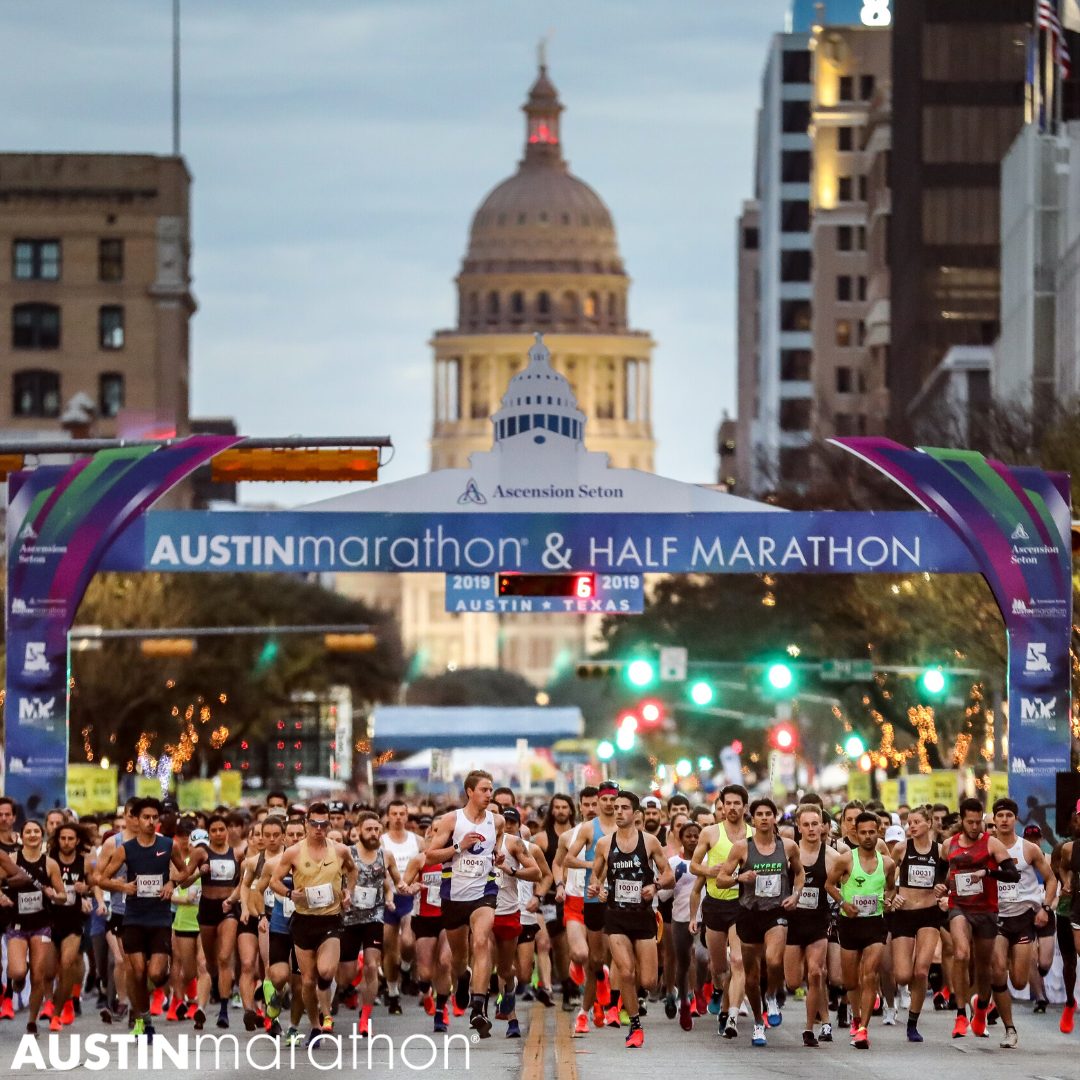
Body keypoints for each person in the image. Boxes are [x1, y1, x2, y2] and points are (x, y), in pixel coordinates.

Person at [96, 798, 191, 1040]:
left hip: (159, 917)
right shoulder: (126, 849)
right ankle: (143, 1018)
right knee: (136, 972)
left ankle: (149, 1001)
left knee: (156, 974)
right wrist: (123, 886)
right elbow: (101, 878)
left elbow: (184, 872)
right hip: (134, 917)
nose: (150, 822)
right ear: (136, 820)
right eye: (145, 817)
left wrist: (171, 882)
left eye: (154, 818)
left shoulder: (169, 845)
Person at [714, 796, 805, 1047]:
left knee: (775, 960)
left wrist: (795, 895)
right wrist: (740, 877)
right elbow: (721, 878)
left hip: (776, 911)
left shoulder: (788, 847)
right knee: (751, 978)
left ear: (774, 818)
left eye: (768, 814)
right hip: (749, 913)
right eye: (760, 814)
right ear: (752, 819)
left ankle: (773, 995)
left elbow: (799, 873)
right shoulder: (742, 847)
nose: (764, 818)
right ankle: (757, 1022)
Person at [423, 770, 506, 1038]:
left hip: (484, 891)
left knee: (482, 941)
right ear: (470, 791)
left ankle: (479, 1007)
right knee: (459, 958)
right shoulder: (451, 820)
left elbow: (498, 843)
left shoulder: (498, 821)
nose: (488, 794)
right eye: (484, 789)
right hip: (454, 896)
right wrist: (459, 846)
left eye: (491, 789)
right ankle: (462, 978)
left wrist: (498, 854)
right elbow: (430, 856)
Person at [588, 791, 674, 1048]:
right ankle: (635, 1026)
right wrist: (598, 890)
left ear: (636, 814)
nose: (619, 811)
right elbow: (596, 878)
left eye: (625, 807)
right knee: (626, 971)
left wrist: (656, 886)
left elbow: (669, 875)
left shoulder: (649, 843)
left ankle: (635, 997)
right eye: (616, 807)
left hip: (643, 917)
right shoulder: (604, 843)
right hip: (615, 916)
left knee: (647, 981)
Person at [269, 802, 358, 1044]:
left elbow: (353, 871)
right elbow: (274, 881)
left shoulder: (340, 851)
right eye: (314, 824)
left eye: (323, 824)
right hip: (303, 921)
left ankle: (326, 1003)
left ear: (328, 824)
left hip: (330, 919)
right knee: (306, 981)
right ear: (307, 823)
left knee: (326, 970)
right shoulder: (294, 852)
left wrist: (348, 892)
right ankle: (316, 1026)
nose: (319, 829)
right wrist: (289, 894)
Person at [944, 797, 1020, 1041]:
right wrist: (940, 887)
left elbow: (1013, 875)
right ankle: (960, 1014)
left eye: (978, 822)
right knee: (962, 954)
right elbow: (944, 876)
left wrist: (987, 872)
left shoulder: (992, 844)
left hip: (986, 911)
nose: (975, 827)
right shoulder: (949, 844)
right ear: (962, 820)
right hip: (960, 908)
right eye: (970, 822)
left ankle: (980, 1011)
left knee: (984, 967)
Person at [826, 810, 896, 1050]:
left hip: (875, 924)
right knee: (850, 981)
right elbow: (829, 884)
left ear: (879, 832)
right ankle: (856, 1017)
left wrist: (888, 899)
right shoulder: (846, 860)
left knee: (869, 975)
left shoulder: (887, 863)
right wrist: (843, 903)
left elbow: (891, 889)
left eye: (872, 832)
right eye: (863, 832)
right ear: (855, 833)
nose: (867, 837)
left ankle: (864, 1029)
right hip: (849, 923)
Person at [991, 797, 1057, 1049]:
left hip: (1023, 918)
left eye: (1009, 815)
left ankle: (1002, 980)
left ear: (1016, 819)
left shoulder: (1028, 849)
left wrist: (1046, 907)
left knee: (1018, 981)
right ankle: (1009, 1028)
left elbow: (1050, 880)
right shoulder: (988, 849)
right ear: (994, 820)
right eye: (1000, 816)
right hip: (997, 918)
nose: (1005, 820)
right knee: (997, 969)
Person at [689, 782, 751, 1037]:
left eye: (738, 803)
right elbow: (693, 865)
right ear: (722, 807)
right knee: (719, 968)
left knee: (737, 961)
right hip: (715, 904)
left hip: (742, 904)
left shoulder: (754, 834)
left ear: (745, 807)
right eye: (729, 804)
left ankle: (731, 1015)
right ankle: (717, 989)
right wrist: (709, 871)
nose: (733, 808)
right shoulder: (710, 833)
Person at [889, 804, 948, 1042]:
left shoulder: (941, 851)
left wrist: (944, 893)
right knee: (903, 975)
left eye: (916, 822)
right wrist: (891, 896)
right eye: (909, 823)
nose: (911, 826)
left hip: (928, 914)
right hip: (904, 914)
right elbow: (887, 878)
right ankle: (905, 985)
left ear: (928, 824)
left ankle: (912, 1022)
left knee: (922, 970)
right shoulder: (902, 849)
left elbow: (949, 879)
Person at [564, 782, 620, 1033]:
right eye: (605, 799)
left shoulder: (626, 828)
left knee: (620, 957)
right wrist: (593, 867)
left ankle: (613, 1008)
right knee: (595, 960)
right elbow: (568, 859)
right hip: (593, 899)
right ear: (598, 801)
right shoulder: (589, 828)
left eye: (613, 799)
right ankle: (586, 1010)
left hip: (620, 900)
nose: (609, 803)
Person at [784, 803, 841, 1047]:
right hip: (792, 922)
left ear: (823, 826)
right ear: (798, 827)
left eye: (815, 824)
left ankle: (809, 1029)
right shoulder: (788, 853)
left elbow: (848, 884)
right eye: (805, 824)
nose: (811, 829)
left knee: (816, 973)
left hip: (819, 920)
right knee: (794, 982)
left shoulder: (832, 857)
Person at [6, 820, 66, 1035]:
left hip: (42, 925)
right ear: (21, 836)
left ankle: (32, 1021)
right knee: (18, 971)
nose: (32, 835)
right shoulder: (12, 860)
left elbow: (63, 896)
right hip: (17, 924)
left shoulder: (50, 864)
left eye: (36, 831)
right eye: (28, 831)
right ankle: (20, 975)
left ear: (42, 835)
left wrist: (54, 895)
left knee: (39, 976)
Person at [186, 814, 242, 1029]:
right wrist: (199, 873)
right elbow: (184, 881)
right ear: (209, 833)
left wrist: (233, 898)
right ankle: (215, 992)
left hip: (227, 908)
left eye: (222, 829)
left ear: (227, 831)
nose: (218, 833)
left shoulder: (237, 854)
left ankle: (224, 1010)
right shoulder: (201, 852)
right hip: (207, 908)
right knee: (210, 962)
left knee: (225, 956)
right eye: (214, 830)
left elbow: (244, 882)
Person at [491, 806, 541, 1038]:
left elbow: (541, 874)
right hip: (482, 911)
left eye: (509, 821)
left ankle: (507, 995)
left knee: (514, 971)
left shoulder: (519, 846)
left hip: (515, 912)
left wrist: (537, 896)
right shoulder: (469, 841)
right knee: (483, 957)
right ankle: (487, 1011)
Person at [46, 822, 96, 1031]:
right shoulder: (49, 861)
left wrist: (85, 889)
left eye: (70, 839)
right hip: (49, 921)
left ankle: (59, 1011)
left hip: (73, 921)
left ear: (77, 841)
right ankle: (54, 1001)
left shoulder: (84, 863)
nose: (66, 842)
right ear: (57, 840)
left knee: (67, 965)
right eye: (63, 838)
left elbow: (94, 886)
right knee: (48, 971)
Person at [533, 794, 575, 1009]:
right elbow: (533, 867)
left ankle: (568, 987)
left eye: (564, 807)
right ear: (551, 811)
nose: (560, 811)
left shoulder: (578, 835)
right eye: (556, 807)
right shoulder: (541, 839)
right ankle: (547, 988)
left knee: (562, 949)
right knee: (543, 943)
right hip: (545, 897)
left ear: (570, 810)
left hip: (568, 899)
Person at [380, 799, 421, 1014]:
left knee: (407, 941)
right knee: (389, 946)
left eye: (401, 813)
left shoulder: (417, 841)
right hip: (388, 897)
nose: (397, 817)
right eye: (393, 813)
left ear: (407, 816)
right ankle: (393, 992)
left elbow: (428, 861)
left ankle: (406, 968)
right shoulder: (381, 841)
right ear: (387, 816)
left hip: (409, 897)